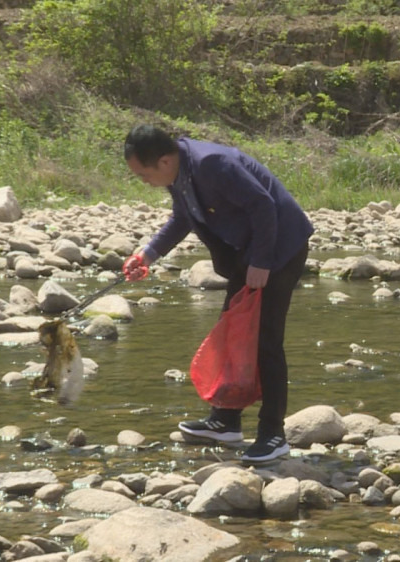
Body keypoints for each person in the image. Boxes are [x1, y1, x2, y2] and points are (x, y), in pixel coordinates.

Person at [122, 125, 314, 462]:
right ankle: (225, 422)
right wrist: (147, 254)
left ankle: (273, 434)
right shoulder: (179, 172)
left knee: (264, 340)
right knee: (233, 335)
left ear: (165, 161)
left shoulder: (213, 164)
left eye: (143, 175)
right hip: (250, 252)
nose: (144, 182)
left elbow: (264, 206)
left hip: (279, 250)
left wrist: (261, 263)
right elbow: (183, 218)